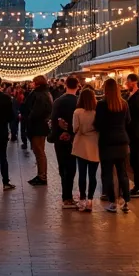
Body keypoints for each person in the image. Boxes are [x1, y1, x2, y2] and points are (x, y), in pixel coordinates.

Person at [96, 77, 132, 213]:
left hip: (106, 142)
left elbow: (98, 124)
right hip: (122, 141)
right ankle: (125, 201)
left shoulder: (102, 104)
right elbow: (128, 121)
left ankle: (112, 202)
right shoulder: (124, 104)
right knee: (123, 172)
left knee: (108, 173)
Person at [50, 76, 80, 208]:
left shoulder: (58, 101)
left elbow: (54, 120)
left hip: (60, 139)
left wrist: (60, 132)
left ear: (66, 85)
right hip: (75, 139)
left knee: (63, 167)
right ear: (78, 86)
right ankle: (69, 196)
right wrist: (71, 132)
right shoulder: (79, 102)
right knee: (72, 167)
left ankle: (65, 196)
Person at [71, 87, 100, 212]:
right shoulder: (97, 112)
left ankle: (82, 199)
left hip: (81, 144)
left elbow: (75, 129)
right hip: (94, 144)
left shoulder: (77, 112)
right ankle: (90, 201)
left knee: (82, 174)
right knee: (92, 175)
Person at [27, 76, 53, 186]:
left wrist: (29, 118)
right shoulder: (45, 93)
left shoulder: (39, 94)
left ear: (37, 83)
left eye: (33, 82)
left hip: (38, 126)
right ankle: (41, 175)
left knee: (39, 152)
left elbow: (36, 111)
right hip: (40, 125)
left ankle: (42, 176)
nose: (31, 84)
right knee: (39, 151)